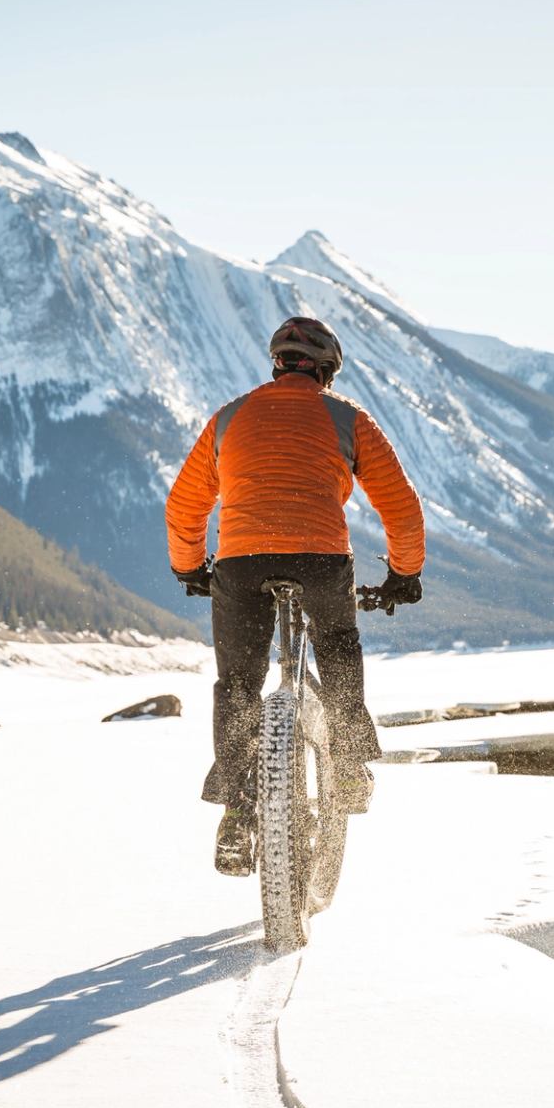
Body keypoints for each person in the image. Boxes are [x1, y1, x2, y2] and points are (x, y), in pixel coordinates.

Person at [165, 316, 426, 876]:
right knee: (335, 643)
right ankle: (351, 763)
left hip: (239, 562)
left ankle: (237, 809)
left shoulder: (229, 417)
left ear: (276, 364)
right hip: (321, 558)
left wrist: (189, 566)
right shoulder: (348, 418)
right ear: (328, 370)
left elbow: (184, 505)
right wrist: (404, 573)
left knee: (238, 681)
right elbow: (401, 506)